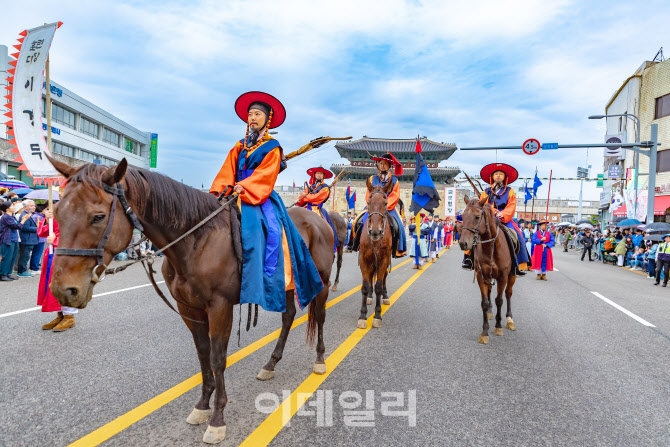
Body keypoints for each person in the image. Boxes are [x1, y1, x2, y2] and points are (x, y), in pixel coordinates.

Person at [209, 91, 323, 312]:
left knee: (268, 230)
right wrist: (225, 188)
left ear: (267, 119)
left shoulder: (273, 147)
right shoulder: (240, 145)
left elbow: (267, 174)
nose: (252, 118)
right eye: (250, 114)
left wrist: (248, 186)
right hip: (235, 191)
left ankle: (266, 278)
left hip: (259, 194)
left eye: (257, 114)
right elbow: (227, 170)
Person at [462, 163, 530, 275]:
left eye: (501, 174)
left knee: (518, 235)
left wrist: (503, 214)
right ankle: (468, 258)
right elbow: (482, 205)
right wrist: (493, 212)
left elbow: (512, 205)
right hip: (488, 218)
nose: (498, 176)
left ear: (504, 177)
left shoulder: (510, 191)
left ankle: (516, 264)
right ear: (492, 177)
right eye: (496, 174)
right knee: (472, 232)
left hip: (504, 218)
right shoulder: (486, 191)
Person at [351, 152, 407, 257]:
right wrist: (373, 205)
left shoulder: (395, 181)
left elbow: (395, 196)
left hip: (388, 208)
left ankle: (397, 249)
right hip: (372, 207)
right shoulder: (372, 178)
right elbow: (369, 194)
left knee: (399, 226)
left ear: (389, 166)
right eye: (380, 163)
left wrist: (384, 206)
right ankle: (354, 244)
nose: (382, 165)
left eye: (385, 163)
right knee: (356, 221)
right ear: (378, 165)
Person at [38, 209, 79, 331]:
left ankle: (69, 316)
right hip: (53, 254)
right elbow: (42, 233)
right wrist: (47, 220)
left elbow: (78, 237)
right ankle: (61, 314)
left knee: (65, 285)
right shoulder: (57, 212)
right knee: (53, 286)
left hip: (67, 254)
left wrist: (55, 241)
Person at [296, 166, 339, 251]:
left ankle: (326, 243)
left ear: (323, 176)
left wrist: (305, 196)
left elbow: (317, 198)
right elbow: (302, 199)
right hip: (306, 208)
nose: (319, 175)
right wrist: (298, 200)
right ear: (314, 175)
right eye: (317, 173)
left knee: (325, 227)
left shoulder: (325, 188)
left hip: (317, 209)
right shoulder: (310, 187)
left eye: (321, 174)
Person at [0, 201, 31, 281]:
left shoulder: (12, 216)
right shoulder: (5, 217)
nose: (14, 207)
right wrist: (24, 219)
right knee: (7, 258)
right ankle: (3, 274)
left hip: (14, 239)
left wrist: (23, 220)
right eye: (12, 206)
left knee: (12, 257)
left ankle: (8, 273)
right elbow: (17, 226)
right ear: (7, 209)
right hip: (7, 240)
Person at [17, 199, 38, 277]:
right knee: (25, 255)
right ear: (25, 207)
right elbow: (25, 228)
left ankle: (23, 270)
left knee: (26, 255)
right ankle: (22, 271)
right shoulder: (24, 214)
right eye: (31, 206)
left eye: (34, 205)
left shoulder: (29, 214)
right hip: (26, 239)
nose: (33, 207)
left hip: (29, 238)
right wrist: (37, 228)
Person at [30, 203, 47, 274]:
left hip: (37, 237)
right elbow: (42, 228)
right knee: (38, 253)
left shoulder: (35, 216)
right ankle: (35, 268)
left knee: (35, 253)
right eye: (45, 209)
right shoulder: (39, 217)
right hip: (40, 238)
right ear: (41, 210)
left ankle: (33, 267)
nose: (47, 211)